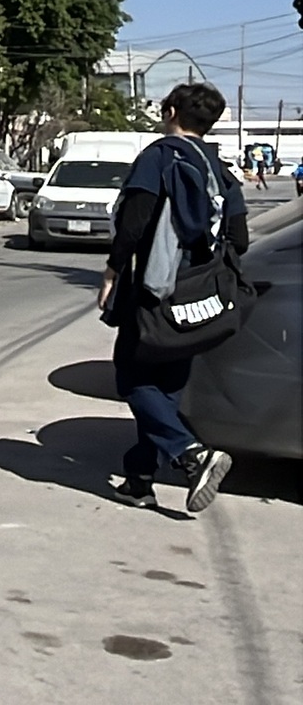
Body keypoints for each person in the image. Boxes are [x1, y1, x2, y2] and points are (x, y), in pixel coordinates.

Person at [97, 83, 248, 514]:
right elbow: (240, 238)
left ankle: (192, 453)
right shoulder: (219, 168)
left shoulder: (160, 157)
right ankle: (139, 479)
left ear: (169, 111)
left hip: (156, 290)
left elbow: (134, 223)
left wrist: (112, 271)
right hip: (201, 297)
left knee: (131, 376)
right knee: (166, 385)